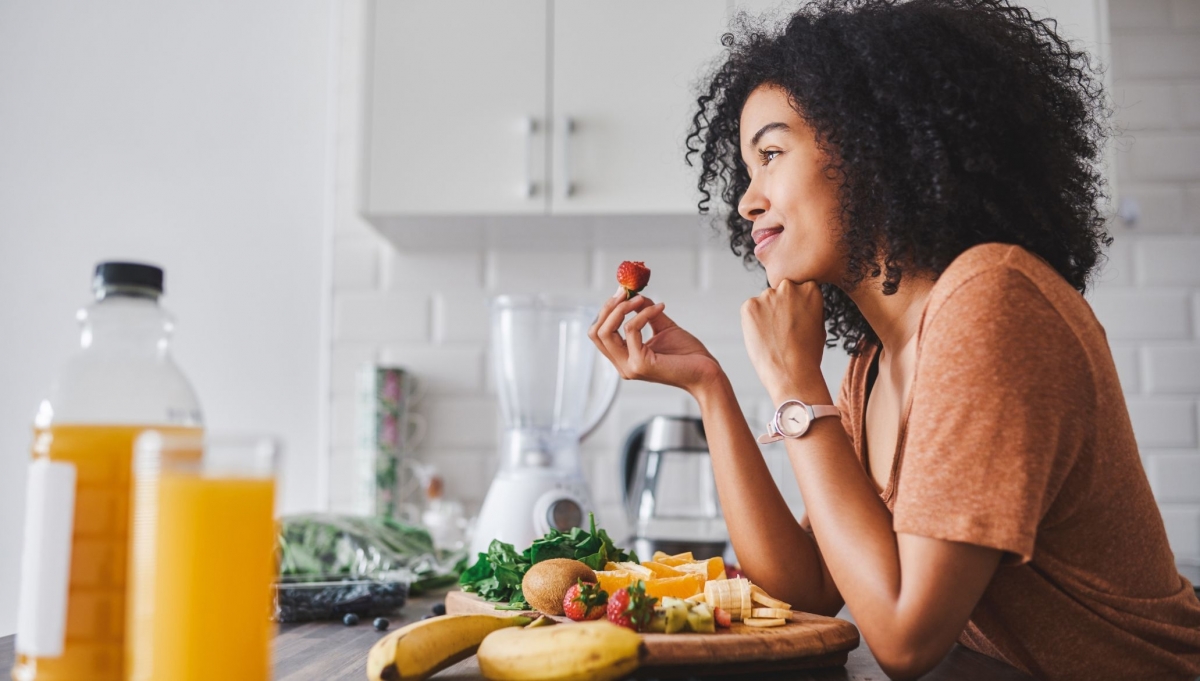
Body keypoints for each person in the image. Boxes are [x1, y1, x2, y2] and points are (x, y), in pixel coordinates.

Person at [587, 1, 1200, 679]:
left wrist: (796, 385)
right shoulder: (873, 364)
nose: (746, 199)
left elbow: (904, 639)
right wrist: (710, 387)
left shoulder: (992, 301)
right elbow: (812, 582)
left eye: (770, 154)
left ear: (868, 144)